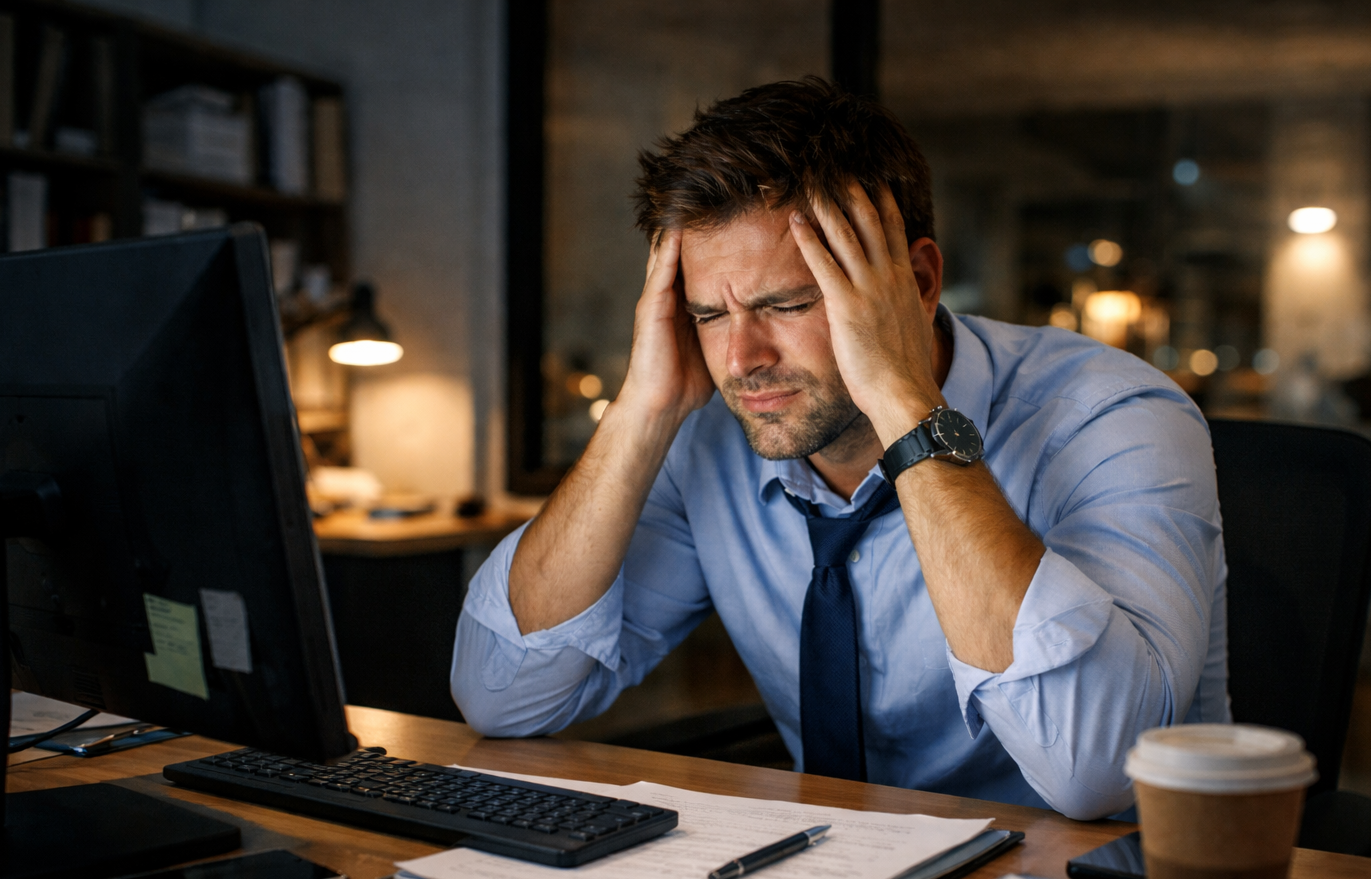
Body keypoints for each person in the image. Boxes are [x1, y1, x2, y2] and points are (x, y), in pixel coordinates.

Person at [453, 77, 1228, 819]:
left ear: (919, 281)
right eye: (707, 316)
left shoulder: (1115, 416)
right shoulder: (710, 445)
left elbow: (1095, 772)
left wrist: (904, 402)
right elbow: (500, 696)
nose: (741, 360)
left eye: (785, 304)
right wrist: (640, 410)